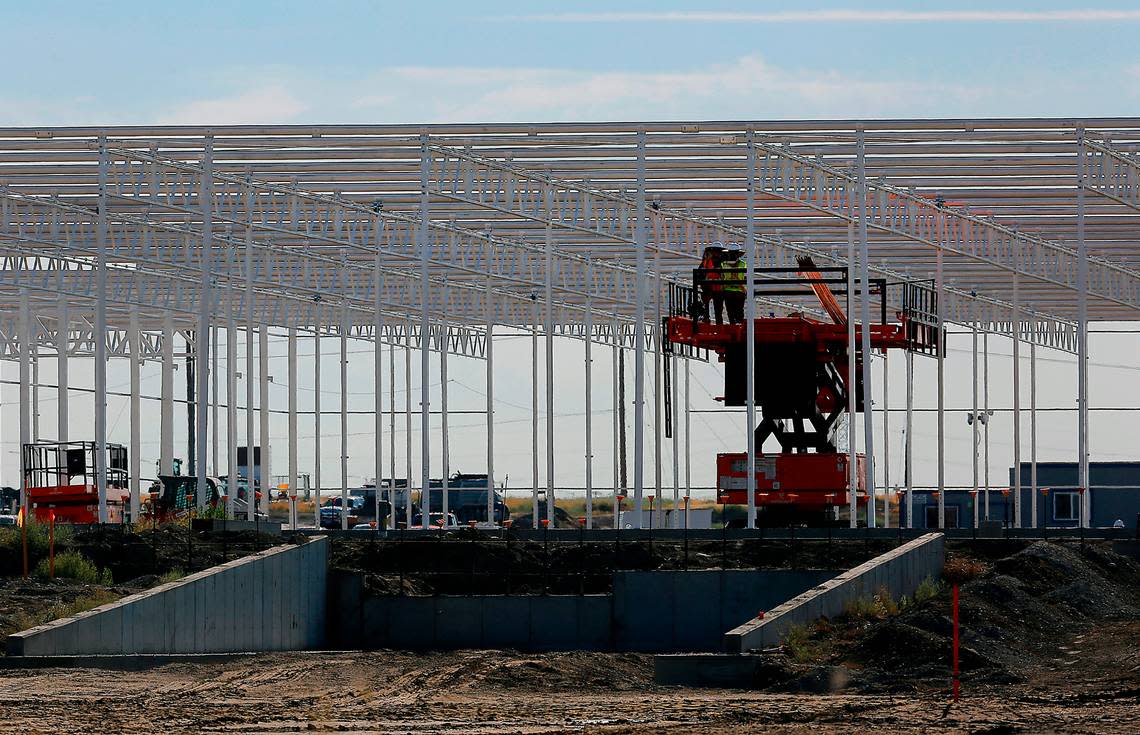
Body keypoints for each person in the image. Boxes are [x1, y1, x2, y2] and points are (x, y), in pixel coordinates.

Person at [697, 246, 726, 324]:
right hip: (709, 288)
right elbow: (699, 275)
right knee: (710, 309)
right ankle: (707, 321)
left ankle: (718, 327)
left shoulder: (722, 263)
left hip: (717, 289)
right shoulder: (706, 262)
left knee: (718, 311)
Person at [720, 248, 747, 324]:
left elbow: (722, 277)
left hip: (728, 290)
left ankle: (733, 326)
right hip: (739, 290)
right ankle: (739, 326)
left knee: (730, 312)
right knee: (739, 312)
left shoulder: (724, 264)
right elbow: (745, 277)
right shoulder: (743, 264)